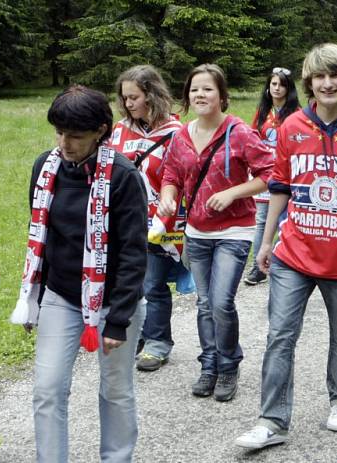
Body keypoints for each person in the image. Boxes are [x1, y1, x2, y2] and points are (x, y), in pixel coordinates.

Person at [234, 43, 337, 449]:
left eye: (334, 76)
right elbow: (280, 187)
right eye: (319, 77)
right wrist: (267, 240)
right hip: (294, 254)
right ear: (308, 82)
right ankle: (272, 421)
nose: (327, 83)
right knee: (280, 335)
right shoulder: (292, 128)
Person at [11, 85, 148, 462]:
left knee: (115, 389)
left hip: (115, 301)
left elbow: (134, 253)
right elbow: (42, 237)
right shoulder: (46, 167)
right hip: (61, 295)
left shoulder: (122, 177)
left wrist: (118, 319)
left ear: (101, 131)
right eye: (59, 132)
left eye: (75, 135)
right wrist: (33, 300)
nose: (64, 143)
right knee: (48, 389)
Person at [159, 64, 273, 402]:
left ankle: (228, 364)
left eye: (207, 89)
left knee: (221, 302)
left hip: (234, 231)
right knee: (205, 303)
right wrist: (167, 197)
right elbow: (171, 175)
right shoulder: (182, 135)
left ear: (221, 96)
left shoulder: (239, 133)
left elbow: (269, 174)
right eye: (194, 89)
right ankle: (209, 364)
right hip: (196, 233)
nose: (200, 95)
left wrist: (234, 192)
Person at [107, 64, 194, 372]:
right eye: (125, 98)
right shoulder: (119, 130)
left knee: (154, 282)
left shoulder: (177, 133)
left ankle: (158, 342)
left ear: (152, 95)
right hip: (122, 222)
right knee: (129, 282)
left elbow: (183, 176)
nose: (128, 104)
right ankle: (137, 337)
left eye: (134, 97)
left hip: (162, 222)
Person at [243, 67, 301, 286]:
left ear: (289, 88)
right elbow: (252, 139)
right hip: (264, 173)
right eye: (273, 84)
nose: (277, 88)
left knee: (284, 220)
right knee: (261, 220)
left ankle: (283, 262)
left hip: (287, 174)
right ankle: (258, 268)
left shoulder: (296, 113)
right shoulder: (262, 111)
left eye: (281, 84)